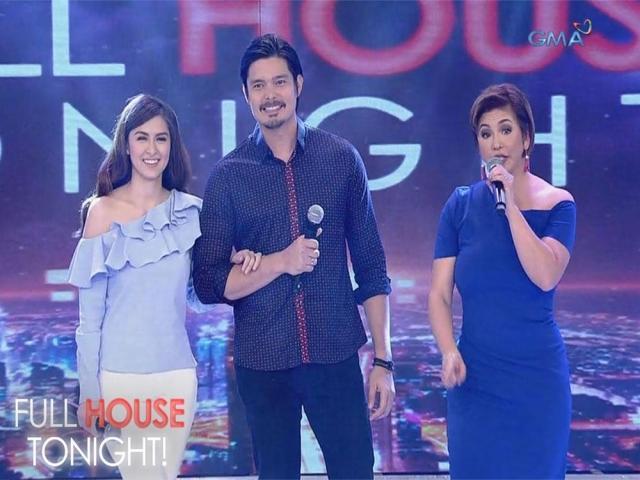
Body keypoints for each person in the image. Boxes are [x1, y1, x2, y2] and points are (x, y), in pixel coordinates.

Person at [192, 33, 395, 479]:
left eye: (279, 82)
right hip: (263, 361)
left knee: (355, 471)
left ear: (298, 85)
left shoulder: (340, 159)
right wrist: (277, 262)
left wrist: (383, 360)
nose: (270, 95)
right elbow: (206, 282)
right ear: (246, 95)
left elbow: (372, 266)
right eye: (258, 85)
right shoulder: (228, 176)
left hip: (335, 353)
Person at [67, 94, 260, 479]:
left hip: (176, 375)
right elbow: (89, 321)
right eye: (142, 137)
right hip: (120, 377)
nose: (152, 149)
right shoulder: (102, 212)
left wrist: (237, 261)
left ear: (172, 146)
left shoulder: (192, 211)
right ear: (126, 145)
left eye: (161, 138)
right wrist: (90, 392)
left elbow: (197, 295)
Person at [428, 83, 576, 479]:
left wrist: (510, 205)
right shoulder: (460, 206)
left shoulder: (559, 205)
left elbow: (544, 275)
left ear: (526, 138)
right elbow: (439, 295)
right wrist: (448, 351)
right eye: (485, 132)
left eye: (506, 129)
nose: (496, 142)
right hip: (475, 380)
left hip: (537, 381)